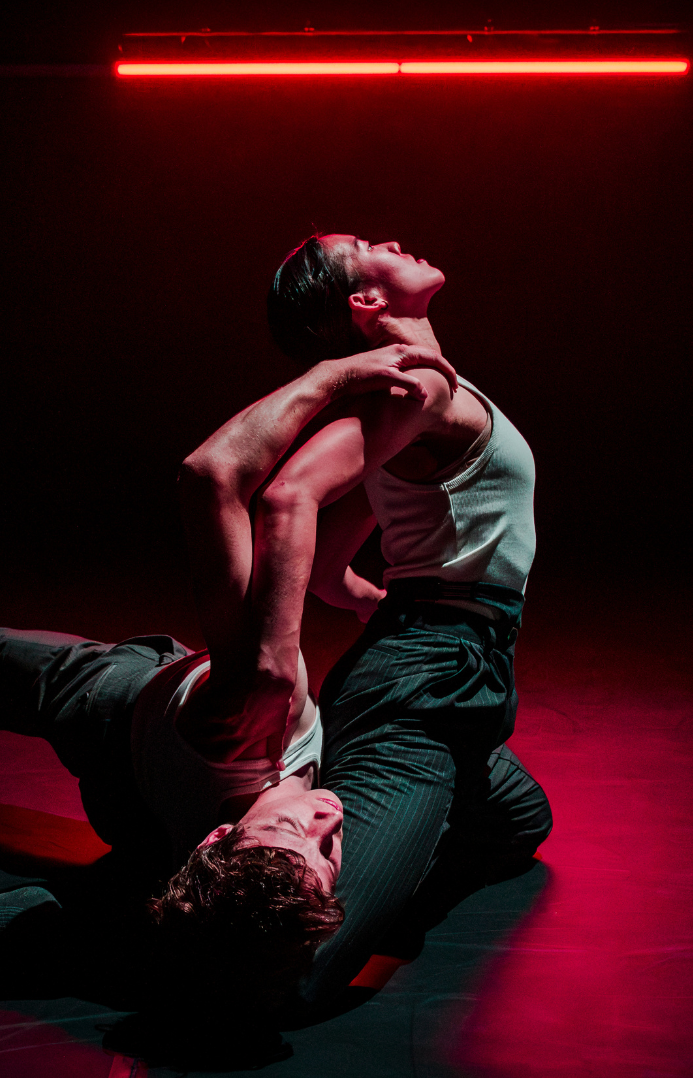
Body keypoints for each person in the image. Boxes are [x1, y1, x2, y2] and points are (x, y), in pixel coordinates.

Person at [0, 344, 459, 1018]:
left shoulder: (257, 697)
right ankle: (33, 912)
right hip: (148, 811)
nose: (331, 816)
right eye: (328, 851)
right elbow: (209, 478)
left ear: (220, 837)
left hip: (114, 710)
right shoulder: (257, 808)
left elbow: (211, 476)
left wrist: (331, 377)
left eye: (296, 827)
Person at [179, 231, 552, 1020]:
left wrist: (364, 597)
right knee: (292, 965)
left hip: (452, 665)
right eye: (365, 246)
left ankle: (387, 854)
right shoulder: (413, 390)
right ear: (365, 302)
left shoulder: (418, 393)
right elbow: (287, 499)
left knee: (522, 821)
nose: (391, 238)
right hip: (426, 683)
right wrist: (280, 657)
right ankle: (86, 923)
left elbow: (329, 561)